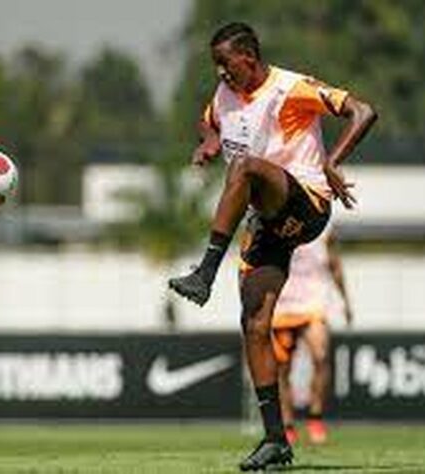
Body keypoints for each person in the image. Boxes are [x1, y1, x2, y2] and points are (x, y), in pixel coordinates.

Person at [167, 22, 376, 471]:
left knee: (243, 169)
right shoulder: (224, 97)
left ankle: (204, 272)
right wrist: (207, 143)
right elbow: (211, 123)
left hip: (308, 204)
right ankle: (276, 440)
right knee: (255, 324)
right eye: (216, 66)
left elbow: (363, 111)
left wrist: (333, 162)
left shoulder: (290, 89)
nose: (220, 73)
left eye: (225, 64)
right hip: (268, 223)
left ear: (249, 57)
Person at [270, 224, 353, 446]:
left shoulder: (324, 227)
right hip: (282, 304)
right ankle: (287, 425)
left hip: (313, 302)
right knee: (281, 369)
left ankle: (315, 416)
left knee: (321, 355)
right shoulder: (274, 218)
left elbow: (334, 264)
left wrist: (345, 301)